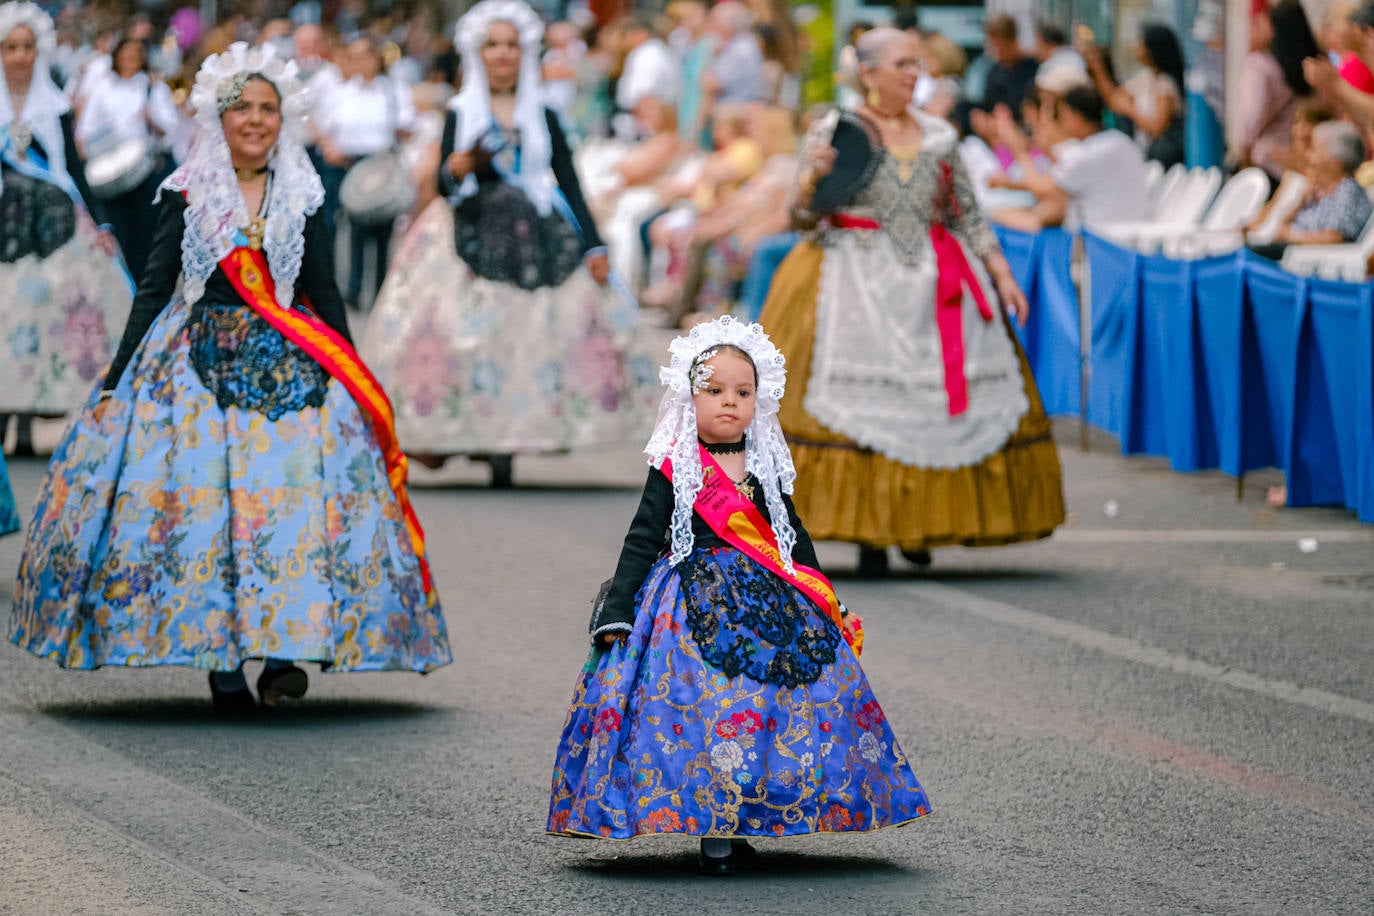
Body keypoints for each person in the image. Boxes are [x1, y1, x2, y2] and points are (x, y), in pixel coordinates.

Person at [10, 42, 451, 712]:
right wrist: (118, 376)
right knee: (206, 513)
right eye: (241, 107)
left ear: (284, 118)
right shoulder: (189, 192)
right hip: (195, 357)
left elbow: (324, 293)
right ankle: (221, 663)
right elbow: (156, 286)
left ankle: (280, 655)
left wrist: (354, 376)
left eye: (268, 108)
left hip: (291, 360)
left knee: (293, 509)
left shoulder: (303, 192)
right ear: (217, 118)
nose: (254, 119)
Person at [547, 315, 931, 873]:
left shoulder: (766, 462)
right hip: (689, 602)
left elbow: (791, 535)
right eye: (715, 390)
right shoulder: (676, 463)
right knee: (708, 708)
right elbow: (642, 538)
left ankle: (752, 813)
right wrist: (619, 608)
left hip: (771, 598)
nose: (730, 402)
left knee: (774, 708)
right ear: (689, 396)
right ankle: (714, 831)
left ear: (760, 398)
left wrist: (826, 599)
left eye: (743, 392)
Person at [760, 28, 1065, 575]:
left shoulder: (940, 136)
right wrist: (814, 178)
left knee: (932, 408)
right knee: (859, 408)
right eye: (900, 64)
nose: (912, 74)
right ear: (868, 72)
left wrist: (1000, 274)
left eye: (916, 64)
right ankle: (873, 536)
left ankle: (917, 522)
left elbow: (966, 215)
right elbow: (800, 214)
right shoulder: (838, 130)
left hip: (932, 283)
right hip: (850, 281)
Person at [361, 0, 653, 487]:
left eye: (510, 45)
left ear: (525, 52)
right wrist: (455, 170)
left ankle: (514, 439)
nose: (501, 54)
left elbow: (568, 181)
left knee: (536, 337)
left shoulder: (545, 113)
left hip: (539, 233)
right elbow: (445, 185)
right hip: (468, 232)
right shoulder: (460, 111)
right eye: (491, 45)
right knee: (463, 333)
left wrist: (594, 246)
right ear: (478, 53)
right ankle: (470, 435)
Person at [0, 1, 132, 458]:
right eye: (10, 47)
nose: (19, 55)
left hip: (50, 233)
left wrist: (101, 224)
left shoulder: (55, 107)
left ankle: (30, 419)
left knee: (40, 322)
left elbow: (72, 170)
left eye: (27, 46)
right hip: (3, 233)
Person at [312, 35, 415, 308]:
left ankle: (380, 288)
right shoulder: (344, 91)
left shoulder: (392, 90)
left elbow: (406, 124)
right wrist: (330, 147)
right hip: (348, 163)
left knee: (382, 228)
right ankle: (353, 288)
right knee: (354, 227)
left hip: (379, 163)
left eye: (364, 57)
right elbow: (322, 124)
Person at [73, 35, 181, 278]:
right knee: (117, 229)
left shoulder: (153, 88)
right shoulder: (104, 87)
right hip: (111, 172)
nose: (130, 61)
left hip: (144, 171)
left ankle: (142, 279)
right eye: (126, 56)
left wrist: (150, 118)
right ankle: (121, 279)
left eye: (136, 56)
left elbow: (170, 132)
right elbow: (86, 128)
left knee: (145, 231)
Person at [990, 85, 1149, 233]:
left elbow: (1041, 189)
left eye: (1060, 115)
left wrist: (1020, 152)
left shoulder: (1088, 154)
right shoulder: (1117, 140)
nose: (1058, 122)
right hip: (1123, 231)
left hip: (1101, 238)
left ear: (1074, 116)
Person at [1250, 120, 1372, 258]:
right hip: (1288, 254)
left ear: (1335, 161)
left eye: (1315, 149)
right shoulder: (1319, 191)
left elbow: (1334, 239)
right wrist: (1300, 203)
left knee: (1248, 255)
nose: (1308, 156)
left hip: (1304, 261)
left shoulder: (1348, 192)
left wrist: (1291, 235)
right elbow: (1280, 227)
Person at [1083, 22, 1185, 167]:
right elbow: (1115, 100)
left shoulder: (1165, 84)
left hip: (1161, 159)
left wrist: (1131, 110)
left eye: (1140, 44)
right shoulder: (1145, 77)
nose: (1136, 47)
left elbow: (1157, 127)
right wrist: (1098, 68)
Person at [1240, 0, 1319, 183]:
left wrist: (1245, 150)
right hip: (1303, 162)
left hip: (1269, 158)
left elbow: (1252, 117)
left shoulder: (1261, 67)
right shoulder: (1315, 66)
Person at [980, 14, 1039, 116]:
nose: (994, 50)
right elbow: (988, 107)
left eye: (998, 45)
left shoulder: (1034, 68)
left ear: (1012, 41)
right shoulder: (994, 72)